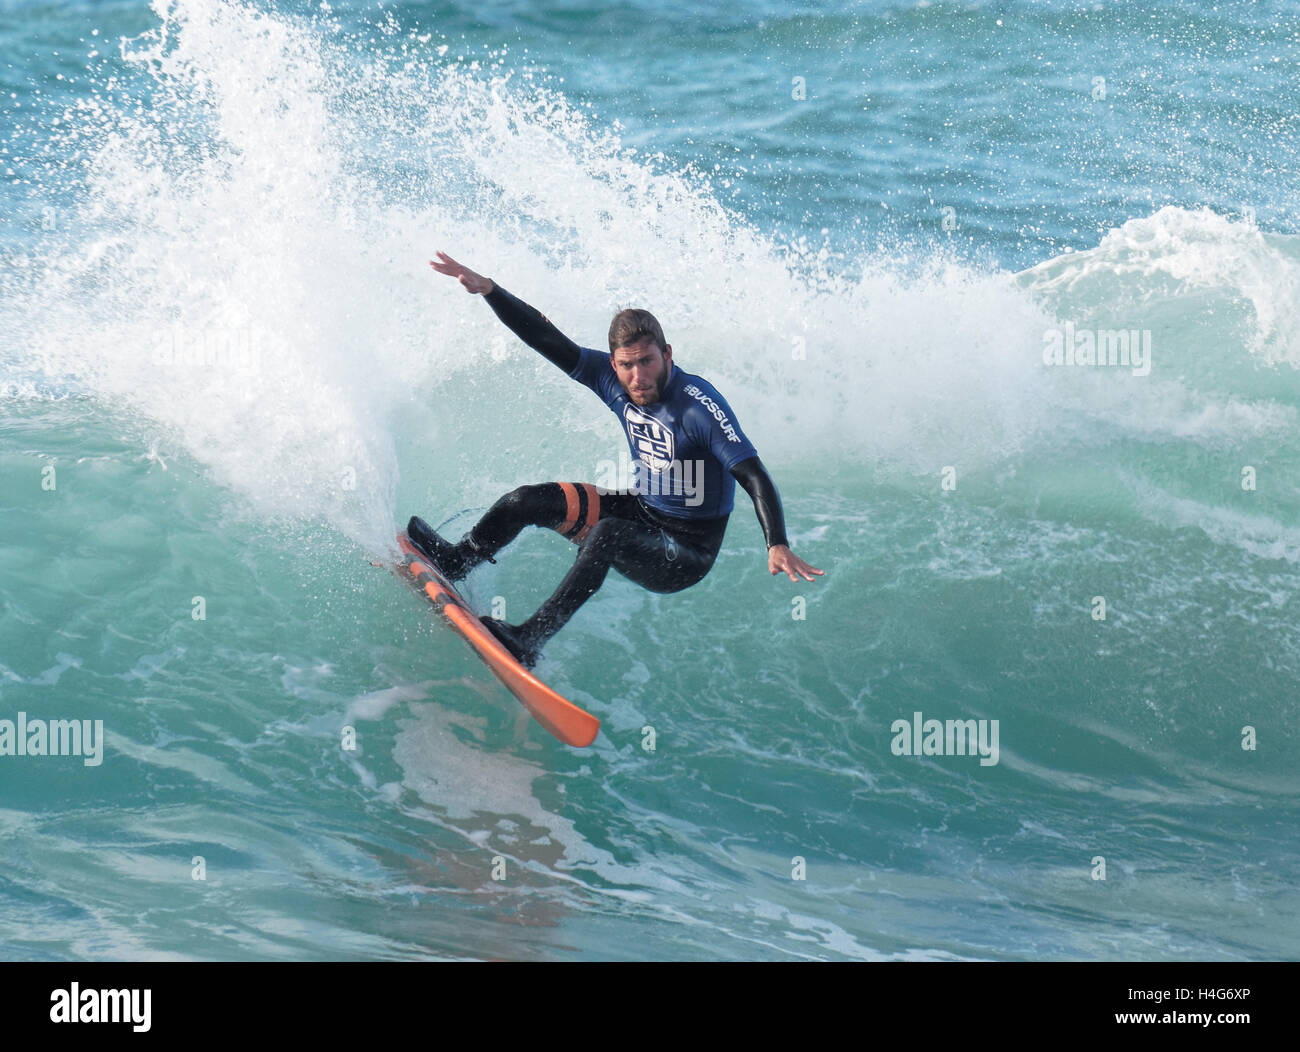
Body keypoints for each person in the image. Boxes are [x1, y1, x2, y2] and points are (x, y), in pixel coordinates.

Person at [412, 250, 824, 669]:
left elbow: (752, 474)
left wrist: (777, 543)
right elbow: (545, 338)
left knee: (607, 533)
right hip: (644, 511)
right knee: (527, 500)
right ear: (614, 364)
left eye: (647, 361)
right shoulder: (609, 378)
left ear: (668, 354)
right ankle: (457, 561)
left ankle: (530, 639)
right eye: (627, 366)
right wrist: (491, 291)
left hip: (686, 551)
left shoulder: (697, 407)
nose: (638, 377)